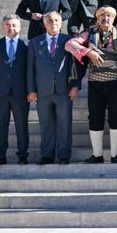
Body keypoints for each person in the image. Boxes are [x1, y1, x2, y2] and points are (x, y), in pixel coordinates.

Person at [66, 6, 117, 164]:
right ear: (97, 18)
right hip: (95, 83)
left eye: (109, 16)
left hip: (116, 82)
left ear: (113, 18)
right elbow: (69, 44)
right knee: (95, 118)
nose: (105, 18)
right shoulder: (89, 33)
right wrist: (88, 52)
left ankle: (115, 155)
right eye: (102, 16)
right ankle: (97, 155)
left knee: (116, 118)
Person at [25, 12, 79, 164]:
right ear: (44, 23)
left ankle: (63, 155)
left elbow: (75, 66)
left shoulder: (69, 40)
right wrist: (31, 90)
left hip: (64, 91)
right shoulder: (35, 42)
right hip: (42, 91)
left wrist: (75, 85)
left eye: (56, 20)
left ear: (61, 23)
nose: (53, 23)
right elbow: (30, 68)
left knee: (64, 124)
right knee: (46, 125)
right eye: (49, 21)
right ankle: (47, 155)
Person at [0, 15, 30, 165]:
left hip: (21, 93)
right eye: (8, 25)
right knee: (1, 125)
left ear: (20, 27)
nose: (11, 28)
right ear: (3, 27)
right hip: (1, 93)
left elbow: (30, 70)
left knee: (22, 125)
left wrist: (31, 91)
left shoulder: (27, 45)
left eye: (14, 25)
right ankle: (1, 156)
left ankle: (23, 155)